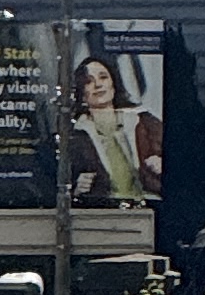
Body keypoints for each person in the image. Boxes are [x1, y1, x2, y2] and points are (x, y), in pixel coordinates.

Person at [60, 52, 163, 205]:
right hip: (103, 213)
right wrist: (76, 189)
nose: (98, 85)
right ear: (81, 94)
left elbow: (182, 162)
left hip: (151, 208)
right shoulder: (73, 138)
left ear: (114, 83)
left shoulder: (146, 123)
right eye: (89, 81)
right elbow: (60, 185)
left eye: (103, 77)